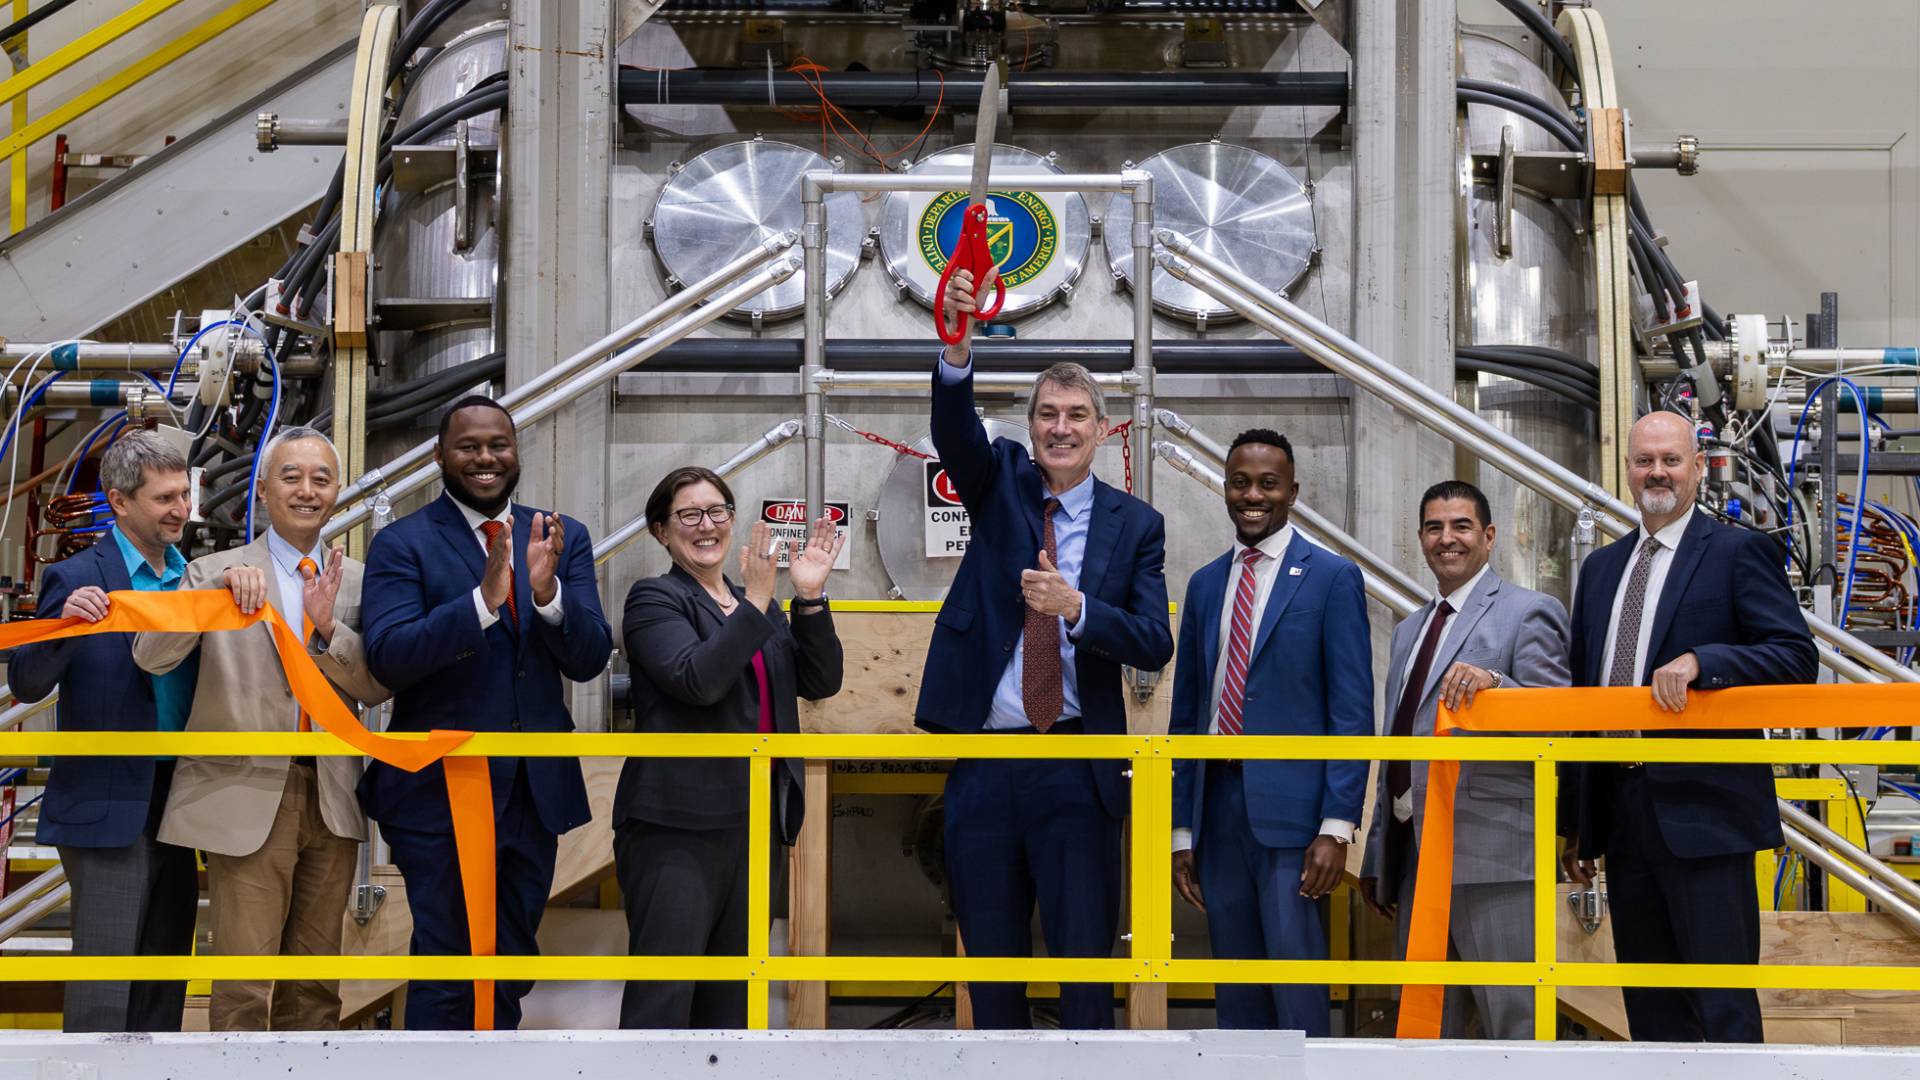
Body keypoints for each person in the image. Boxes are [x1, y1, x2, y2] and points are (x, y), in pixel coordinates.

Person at [919, 269, 1174, 1030]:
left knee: (1085, 973)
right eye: (1047, 415)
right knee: (991, 976)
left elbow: (1153, 642)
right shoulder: (998, 482)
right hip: (987, 766)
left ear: (1103, 428)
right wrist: (957, 348)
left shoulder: (1137, 525)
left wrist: (1080, 609)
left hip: (1077, 769)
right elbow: (954, 429)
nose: (1061, 428)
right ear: (1031, 428)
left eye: (1076, 415)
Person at [358, 395, 614, 1030]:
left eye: (498, 444)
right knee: (449, 959)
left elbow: (588, 659)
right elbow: (388, 659)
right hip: (439, 793)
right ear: (441, 456)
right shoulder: (402, 543)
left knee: (512, 958)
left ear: (515, 450)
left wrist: (547, 593)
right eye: (468, 446)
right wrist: (481, 602)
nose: (485, 458)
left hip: (534, 792)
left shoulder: (560, 537)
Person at [1560, 410, 1816, 1043]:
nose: (1657, 472)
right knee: (1650, 1008)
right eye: (1644, 460)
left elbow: (1795, 655)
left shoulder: (1736, 553)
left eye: (1671, 460)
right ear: (1626, 470)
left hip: (1706, 813)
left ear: (1698, 468)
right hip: (1621, 811)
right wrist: (1576, 820)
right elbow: (1580, 699)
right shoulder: (1600, 571)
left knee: (1722, 1005)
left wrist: (1708, 660)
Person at [132, 426, 389, 1031]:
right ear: (264, 491)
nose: (307, 490)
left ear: (337, 493)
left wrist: (328, 632)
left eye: (321, 479)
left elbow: (377, 686)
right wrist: (211, 600)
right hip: (243, 793)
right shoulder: (212, 570)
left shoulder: (355, 578)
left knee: (317, 986)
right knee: (244, 985)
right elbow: (151, 655)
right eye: (292, 477)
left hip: (330, 795)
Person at [614, 466, 844, 1028]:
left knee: (733, 1004)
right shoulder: (654, 600)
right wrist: (760, 600)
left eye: (717, 511)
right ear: (661, 532)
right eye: (688, 515)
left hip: (757, 820)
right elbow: (698, 679)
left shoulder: (754, 605)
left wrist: (808, 598)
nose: (706, 525)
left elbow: (820, 681)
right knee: (663, 999)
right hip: (678, 827)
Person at [1166, 428, 1371, 1034]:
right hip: (1217, 813)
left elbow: (1352, 711)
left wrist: (1337, 826)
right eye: (1239, 482)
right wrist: (1182, 830)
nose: (1252, 495)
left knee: (1297, 983)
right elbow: (1187, 715)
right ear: (1225, 488)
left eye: (1267, 484)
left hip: (1295, 819)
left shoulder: (1332, 578)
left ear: (1292, 493)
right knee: (1235, 984)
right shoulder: (1205, 585)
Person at [1356, 479, 1570, 1039]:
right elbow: (1399, 744)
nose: (1446, 539)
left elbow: (1560, 722)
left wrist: (1496, 684)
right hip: (1416, 862)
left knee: (1514, 1026)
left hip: (1492, 858)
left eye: (1461, 526)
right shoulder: (1409, 631)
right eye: (1434, 527)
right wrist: (1380, 851)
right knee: (1427, 1031)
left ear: (1489, 536)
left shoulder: (1529, 612)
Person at [10, 430, 200, 1032]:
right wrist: (62, 628)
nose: (182, 509)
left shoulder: (193, 578)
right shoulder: (75, 576)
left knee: (164, 975)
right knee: (106, 981)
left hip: (182, 794)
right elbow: (27, 682)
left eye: (185, 494)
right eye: (164, 498)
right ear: (119, 502)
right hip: (108, 797)